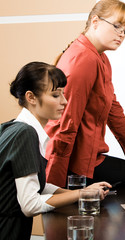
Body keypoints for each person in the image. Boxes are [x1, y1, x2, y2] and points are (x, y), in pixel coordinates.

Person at [0, 62, 111, 240]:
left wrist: (85, 193)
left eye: (63, 94)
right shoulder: (25, 133)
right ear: (31, 97)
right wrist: (81, 193)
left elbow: (39, 185)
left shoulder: (13, 127)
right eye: (55, 95)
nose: (64, 101)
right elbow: (30, 205)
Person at [45, 0, 125, 188]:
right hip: (77, 165)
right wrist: (55, 187)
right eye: (117, 26)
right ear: (95, 21)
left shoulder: (101, 59)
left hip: (90, 158)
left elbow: (115, 113)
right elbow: (65, 124)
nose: (121, 34)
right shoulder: (83, 59)